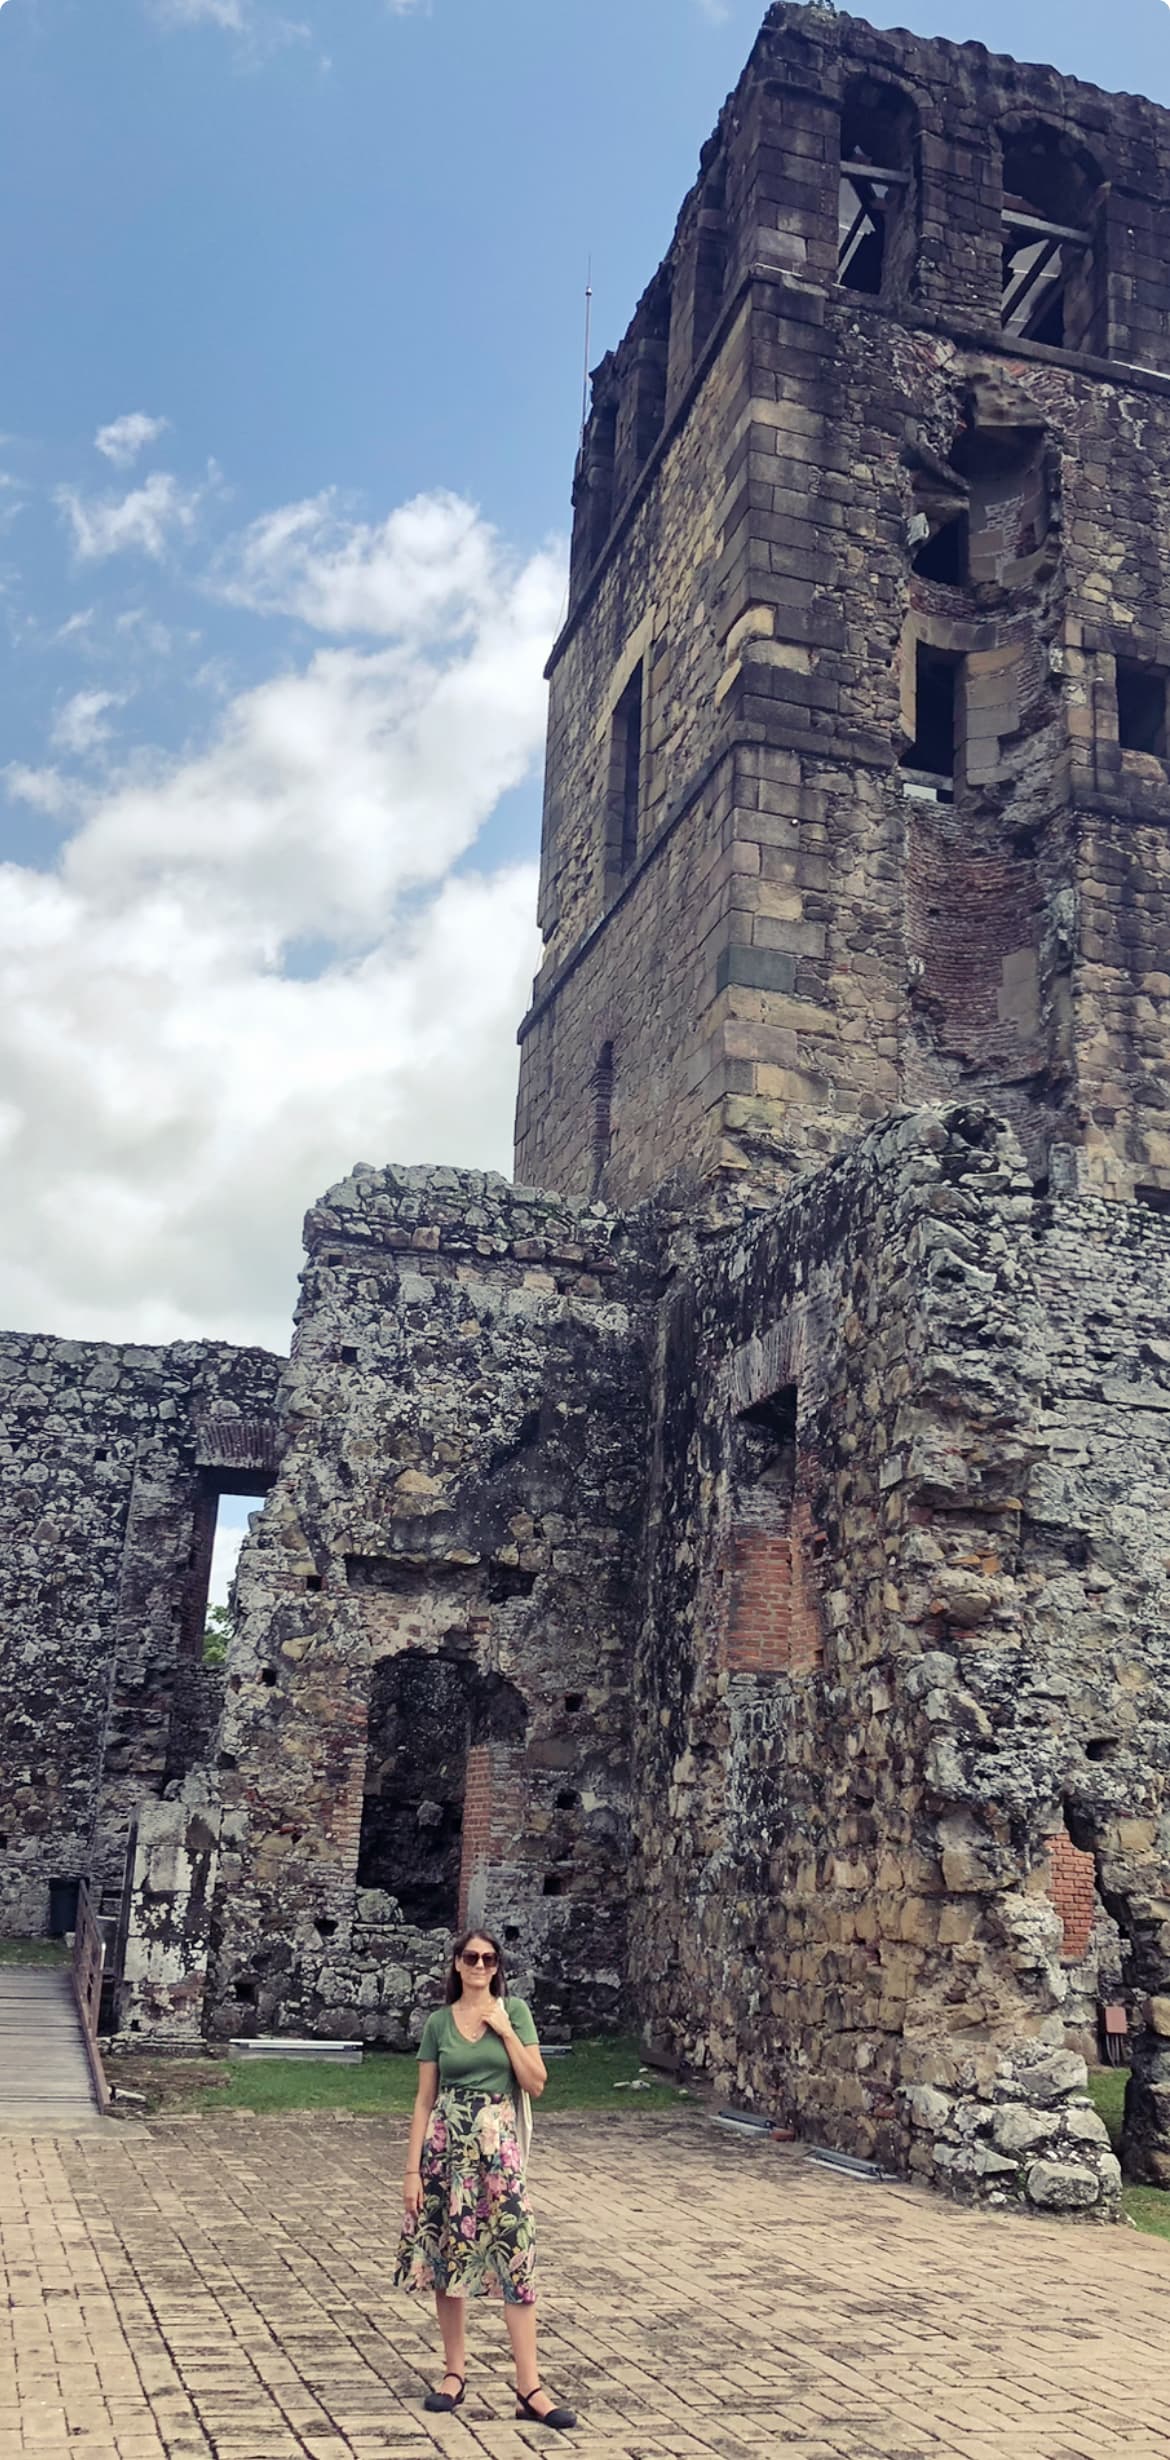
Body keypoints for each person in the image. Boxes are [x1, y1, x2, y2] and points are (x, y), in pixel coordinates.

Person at [395, 1926, 578, 2432]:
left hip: (498, 2150)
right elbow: (423, 2101)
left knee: (517, 2252)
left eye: (489, 1959)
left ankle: (529, 2388)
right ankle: (454, 2373)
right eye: (471, 1958)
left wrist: (505, 2030)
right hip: (445, 2150)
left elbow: (536, 2083)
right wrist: (411, 2171)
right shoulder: (439, 2023)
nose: (480, 1966)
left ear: (497, 1967)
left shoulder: (513, 2012)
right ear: (457, 1964)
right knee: (448, 2255)